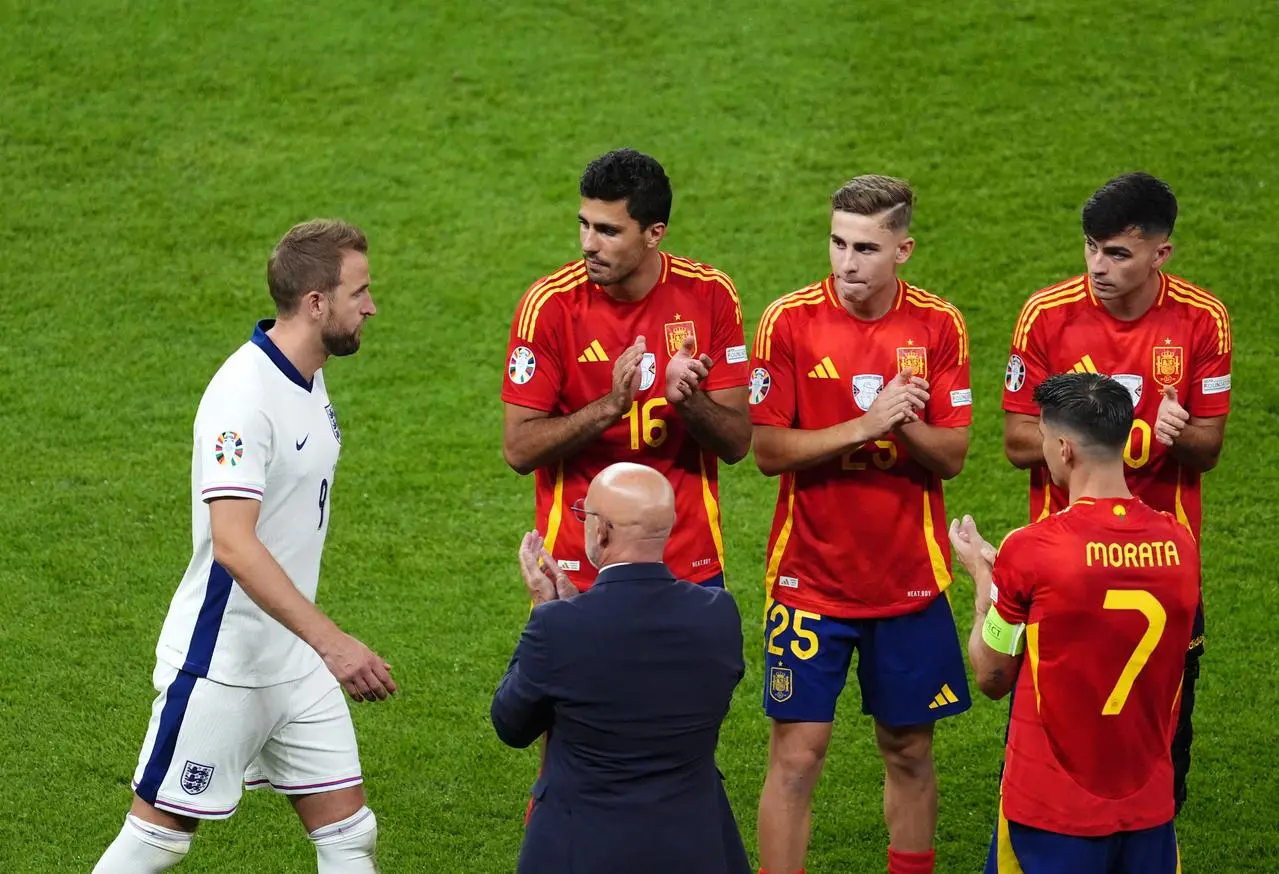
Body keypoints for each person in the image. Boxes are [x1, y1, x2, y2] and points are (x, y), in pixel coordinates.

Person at [93, 220, 393, 874]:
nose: (370, 306)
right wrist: (334, 643)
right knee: (155, 843)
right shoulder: (243, 398)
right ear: (316, 302)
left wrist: (313, 648)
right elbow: (233, 544)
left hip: (293, 663)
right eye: (359, 292)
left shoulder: (305, 376)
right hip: (223, 664)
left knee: (349, 836)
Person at [749, 176, 973, 874]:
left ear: (901, 249)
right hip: (807, 581)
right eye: (838, 242)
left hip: (909, 582)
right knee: (796, 756)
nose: (846, 263)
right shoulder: (788, 321)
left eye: (866, 248)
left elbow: (953, 456)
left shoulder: (938, 326)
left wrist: (903, 429)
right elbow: (766, 451)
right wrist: (863, 425)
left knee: (908, 749)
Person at [1001, 172, 1231, 811]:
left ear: (1161, 254)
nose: (1097, 267)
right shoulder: (1047, 316)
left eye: (1117, 253)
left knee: (1161, 761)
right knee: (1047, 755)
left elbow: (1208, 449)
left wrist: (1178, 435)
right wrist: (1090, 427)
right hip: (1063, 569)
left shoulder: (1201, 321)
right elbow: (1019, 442)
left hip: (1162, 566)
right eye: (1091, 248)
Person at [953, 372, 1200, 873]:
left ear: (1064, 449)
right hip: (1148, 813)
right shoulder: (1181, 546)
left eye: (1043, 439)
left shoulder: (1031, 550)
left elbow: (992, 674)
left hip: (1050, 813)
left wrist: (986, 583)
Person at [500, 147, 752, 592]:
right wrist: (610, 406)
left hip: (686, 565)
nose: (588, 244)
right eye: (584, 224)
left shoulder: (711, 295)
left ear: (654, 234)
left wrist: (689, 402)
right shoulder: (550, 306)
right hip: (578, 569)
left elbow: (736, 444)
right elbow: (519, 450)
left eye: (608, 231)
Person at [491, 462, 751, 874]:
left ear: (602, 531)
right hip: (696, 844)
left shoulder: (559, 627)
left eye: (585, 515)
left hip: (582, 848)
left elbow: (511, 725)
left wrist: (546, 615)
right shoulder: (719, 614)